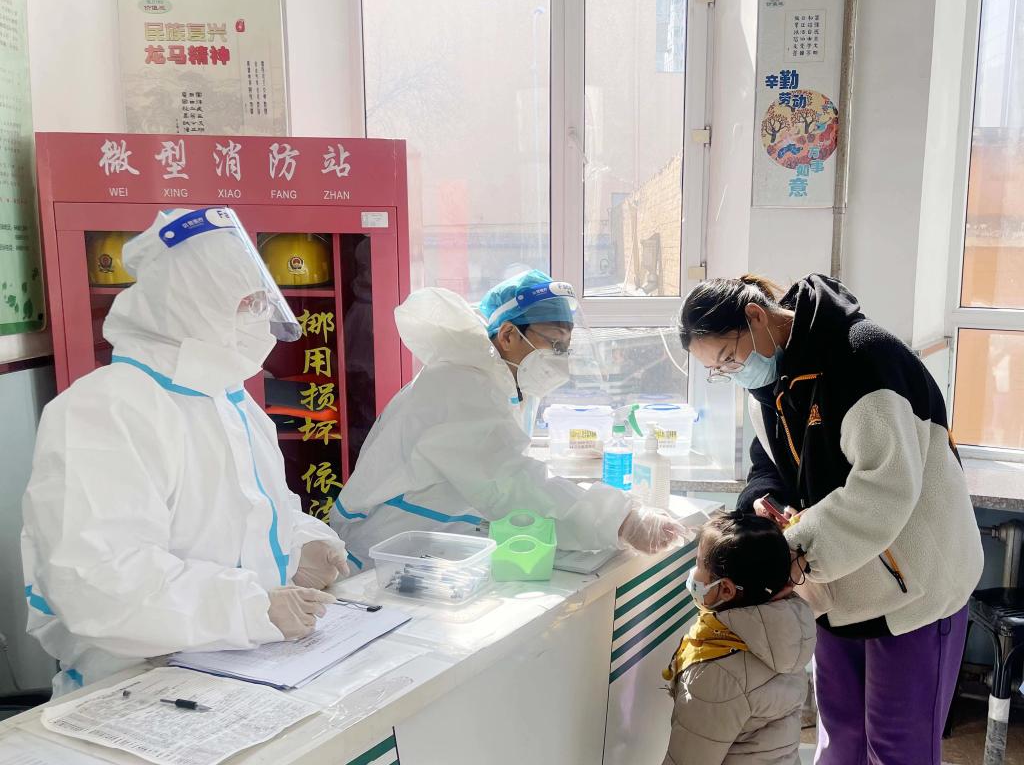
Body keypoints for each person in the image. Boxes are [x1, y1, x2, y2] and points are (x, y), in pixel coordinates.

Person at [21, 208, 350, 696]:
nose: (258, 316)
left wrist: (302, 544)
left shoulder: (231, 401)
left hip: (253, 665)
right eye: (243, 302)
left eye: (261, 299)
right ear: (186, 303)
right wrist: (250, 608)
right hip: (136, 687)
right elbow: (99, 581)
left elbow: (258, 512)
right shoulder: (103, 409)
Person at [677, 273, 984, 764]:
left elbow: (883, 488)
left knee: (897, 747)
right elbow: (768, 465)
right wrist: (763, 504)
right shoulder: (772, 386)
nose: (733, 373)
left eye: (729, 358)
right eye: (718, 370)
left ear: (756, 317)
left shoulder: (862, 357)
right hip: (836, 589)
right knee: (841, 739)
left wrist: (791, 550)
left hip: (915, 590)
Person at [333, 270, 685, 569]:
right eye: (555, 343)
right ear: (507, 335)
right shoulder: (458, 386)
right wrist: (620, 520)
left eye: (566, 346)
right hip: (385, 552)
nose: (561, 357)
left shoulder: (501, 383)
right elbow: (509, 480)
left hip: (431, 545)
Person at [662, 511, 815, 765]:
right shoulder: (782, 635)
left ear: (726, 589)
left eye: (699, 564)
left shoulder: (716, 672)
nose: (693, 572)